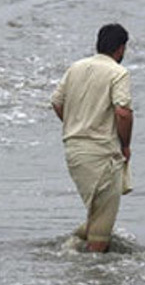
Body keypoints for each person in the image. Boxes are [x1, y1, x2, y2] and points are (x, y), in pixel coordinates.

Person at [50, 24, 134, 253]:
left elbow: (57, 103)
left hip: (74, 149)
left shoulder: (76, 67)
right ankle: (91, 275)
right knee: (102, 225)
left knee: (97, 212)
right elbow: (123, 112)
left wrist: (76, 123)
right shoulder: (118, 73)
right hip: (102, 151)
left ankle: (71, 246)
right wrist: (125, 144)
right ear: (120, 48)